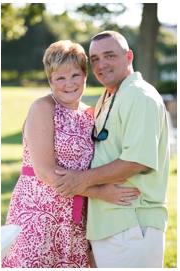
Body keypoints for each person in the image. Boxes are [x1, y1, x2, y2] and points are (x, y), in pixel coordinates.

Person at [2, 40, 140, 268]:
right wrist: (99, 193)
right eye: (60, 78)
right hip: (39, 211)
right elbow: (45, 172)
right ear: (50, 81)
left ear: (85, 75)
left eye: (75, 75)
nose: (69, 84)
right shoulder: (43, 107)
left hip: (76, 218)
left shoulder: (91, 114)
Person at [52, 31, 170, 268]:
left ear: (128, 56)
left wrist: (81, 180)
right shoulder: (110, 96)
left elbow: (138, 161)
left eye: (109, 56)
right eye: (94, 59)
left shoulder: (139, 96)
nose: (101, 64)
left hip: (133, 220)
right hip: (110, 222)